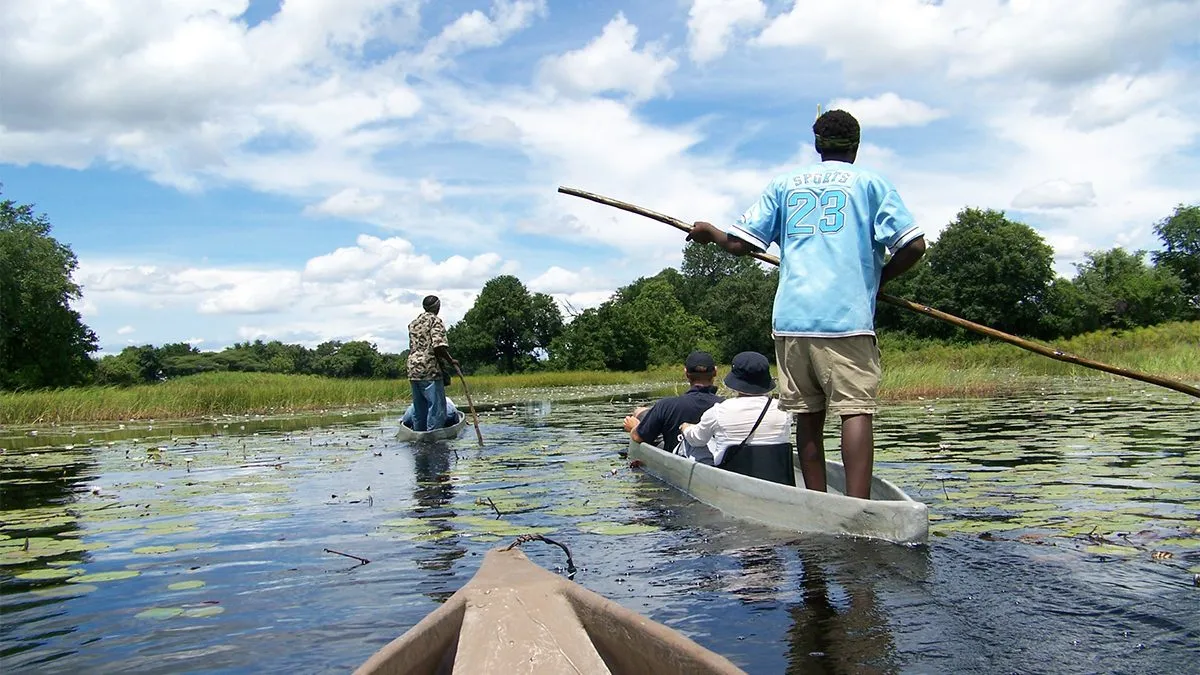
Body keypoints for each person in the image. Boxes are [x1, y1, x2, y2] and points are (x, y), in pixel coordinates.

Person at [686, 109, 927, 499]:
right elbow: (913, 246)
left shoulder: (784, 184)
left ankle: (816, 501)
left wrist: (710, 232)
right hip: (846, 319)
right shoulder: (871, 183)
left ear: (817, 144)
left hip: (792, 320)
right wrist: (878, 279)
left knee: (808, 415)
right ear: (856, 145)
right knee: (855, 409)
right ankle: (858, 505)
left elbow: (739, 244)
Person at [680, 351, 792, 483]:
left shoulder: (718, 411)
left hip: (730, 481)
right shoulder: (785, 410)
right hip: (776, 478)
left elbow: (696, 440)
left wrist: (686, 428)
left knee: (695, 442)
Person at [623, 351, 723, 456]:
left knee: (640, 414)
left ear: (686, 373)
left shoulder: (666, 405)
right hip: (715, 459)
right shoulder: (725, 406)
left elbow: (637, 437)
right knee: (641, 411)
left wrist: (635, 427)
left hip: (677, 458)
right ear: (715, 372)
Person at [406, 295, 459, 431]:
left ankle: (419, 435)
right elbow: (438, 346)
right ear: (437, 307)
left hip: (413, 368)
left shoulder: (414, 323)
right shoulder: (435, 321)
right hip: (429, 368)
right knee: (436, 408)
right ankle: (433, 436)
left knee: (420, 408)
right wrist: (450, 360)